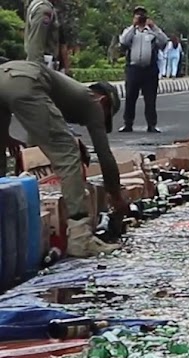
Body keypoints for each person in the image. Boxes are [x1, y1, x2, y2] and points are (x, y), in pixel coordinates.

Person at [0, 58, 128, 257]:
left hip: (6, 75)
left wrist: (4, 135)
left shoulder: (71, 94)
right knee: (68, 154)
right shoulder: (93, 103)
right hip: (27, 81)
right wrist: (117, 196)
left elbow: (52, 116)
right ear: (103, 100)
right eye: (106, 116)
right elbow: (105, 156)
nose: (102, 121)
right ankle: (80, 238)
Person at [24, 0, 81, 137]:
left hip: (45, 63)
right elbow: (36, 43)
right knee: (42, 105)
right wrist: (37, 68)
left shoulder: (38, 5)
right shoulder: (43, 10)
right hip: (44, 63)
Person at [118, 5, 168, 133]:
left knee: (150, 99)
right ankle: (128, 124)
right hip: (133, 68)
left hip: (149, 69)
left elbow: (163, 42)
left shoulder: (151, 32)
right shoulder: (130, 31)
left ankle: (151, 124)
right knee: (130, 97)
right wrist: (133, 26)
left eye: (142, 14)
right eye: (137, 14)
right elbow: (123, 42)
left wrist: (154, 27)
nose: (140, 17)